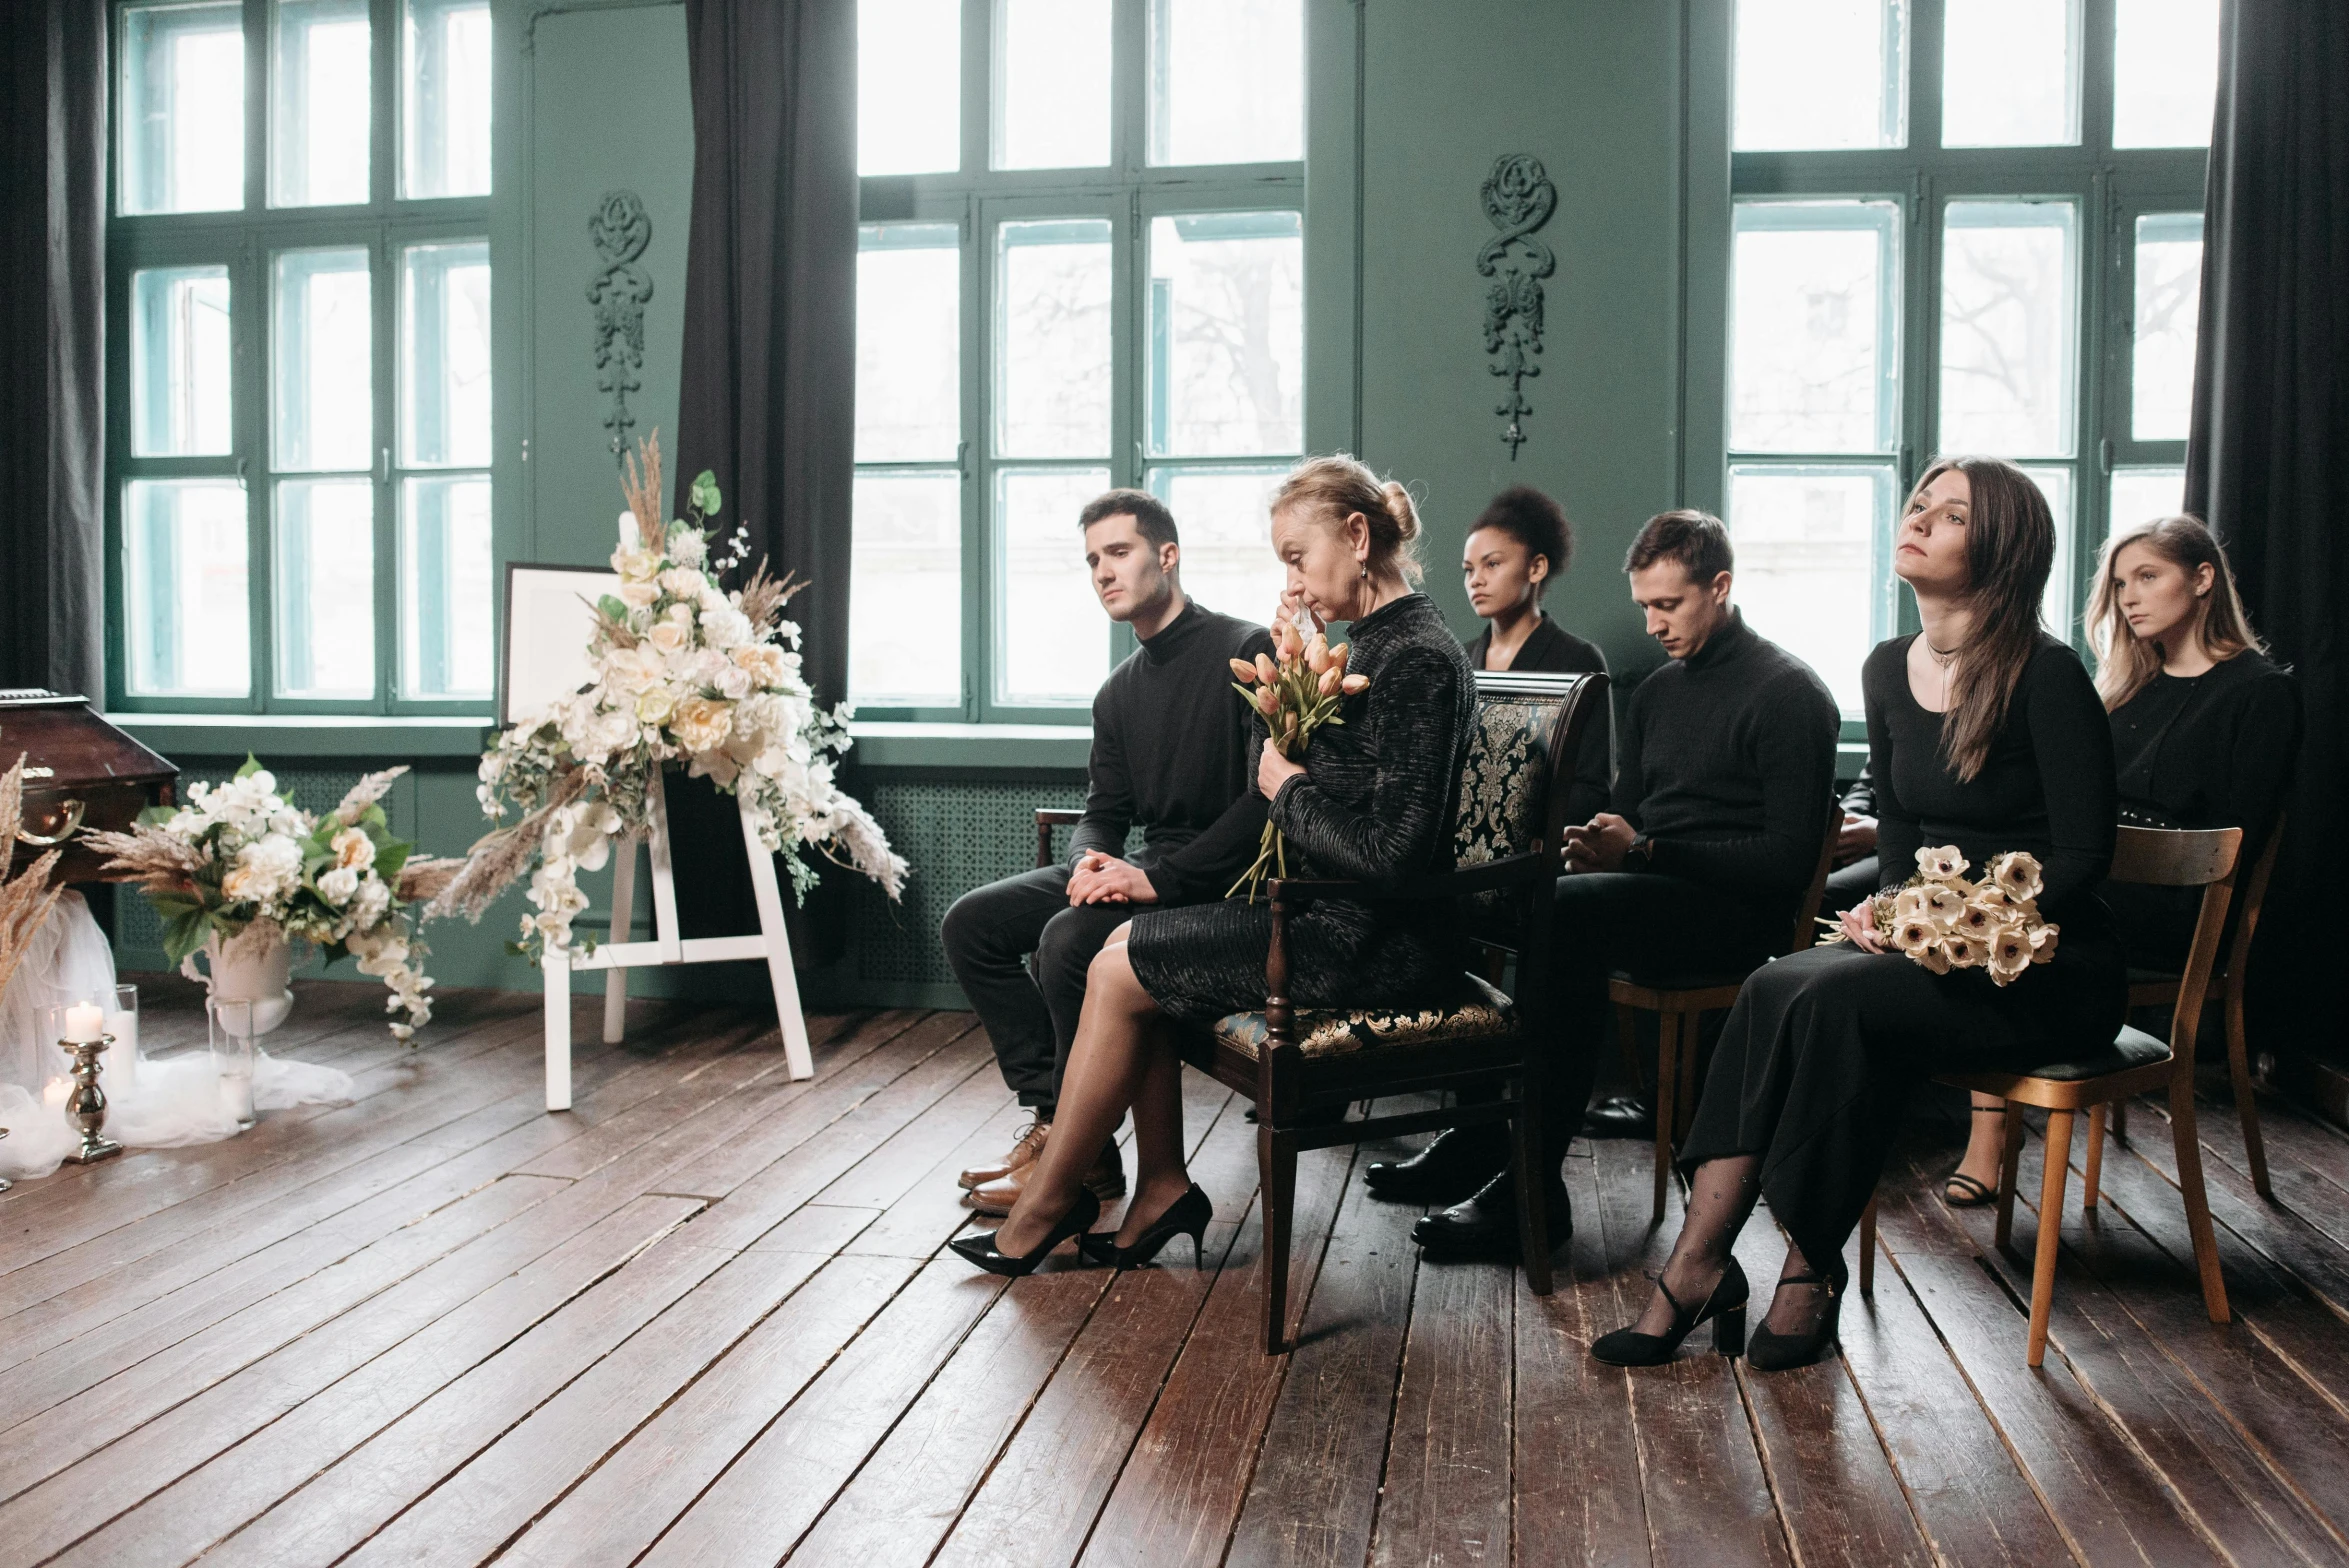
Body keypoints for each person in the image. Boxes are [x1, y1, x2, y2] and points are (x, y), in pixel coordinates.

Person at [1591, 457, 2121, 1373]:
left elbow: (2082, 856)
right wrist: (1888, 906)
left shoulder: (2047, 674)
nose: (1916, 518)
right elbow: (1909, 834)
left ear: (1996, 546)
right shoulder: (1885, 666)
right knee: (1773, 983)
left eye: (1947, 514)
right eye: (1917, 503)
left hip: (2042, 965)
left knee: (1838, 1005)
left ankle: (1803, 1271)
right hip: (1933, 948)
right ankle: (1701, 1264)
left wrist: (1957, 923)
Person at [950, 455, 1478, 1276]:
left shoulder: (1417, 655)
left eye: (1297, 558)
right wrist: (1302, 675)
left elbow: (1393, 853)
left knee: (1118, 962)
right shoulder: (1372, 641)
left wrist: (1285, 786)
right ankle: (1156, 1185)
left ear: (1356, 534)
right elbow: (1351, 790)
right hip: (1321, 911)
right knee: (1120, 951)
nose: (1293, 583)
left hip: (1377, 940)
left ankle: (1052, 1202)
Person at [1402, 511, 1838, 1260]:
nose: (1654, 622)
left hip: (1738, 915)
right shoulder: (1658, 691)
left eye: (1668, 605)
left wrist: (1642, 852)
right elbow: (1628, 817)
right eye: (1643, 606)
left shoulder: (1789, 691)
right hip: (1653, 891)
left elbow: (1786, 865)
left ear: (1720, 587)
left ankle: (1528, 1185)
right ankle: (1487, 1145)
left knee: (1560, 914)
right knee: (1500, 897)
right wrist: (1600, 847)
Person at [1936, 514, 2296, 1207]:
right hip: (2103, 891)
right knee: (1984, 911)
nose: (2128, 597)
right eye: (2119, 583)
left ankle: (1989, 1134)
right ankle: (1987, 1117)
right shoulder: (2122, 689)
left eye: (2147, 577)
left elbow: (2231, 846)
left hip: (2181, 914)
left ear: (2201, 579)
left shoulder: (2258, 691)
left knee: (2005, 924)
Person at [940, 490, 1272, 1216]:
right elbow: (1103, 813)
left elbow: (1264, 804)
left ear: (1167, 554)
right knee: (971, 923)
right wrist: (1092, 862)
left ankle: (1074, 1155)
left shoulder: (1246, 650)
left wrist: (1153, 882)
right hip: (1145, 869)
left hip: (1219, 885)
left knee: (1065, 940)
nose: (1102, 572)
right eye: (1092, 559)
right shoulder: (1118, 691)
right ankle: (1061, 1123)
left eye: (1118, 552)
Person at [1457, 486, 1613, 824]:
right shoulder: (1462, 660)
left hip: (1542, 853)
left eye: (1492, 564)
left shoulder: (1578, 660)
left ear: (1537, 567)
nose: (1476, 581)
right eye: (1469, 569)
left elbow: (1593, 789)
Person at [1822, 765, 1881, 914]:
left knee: (1822, 892)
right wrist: (1842, 820)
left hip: (1913, 847)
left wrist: (1880, 833)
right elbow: (1866, 785)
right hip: (1871, 825)